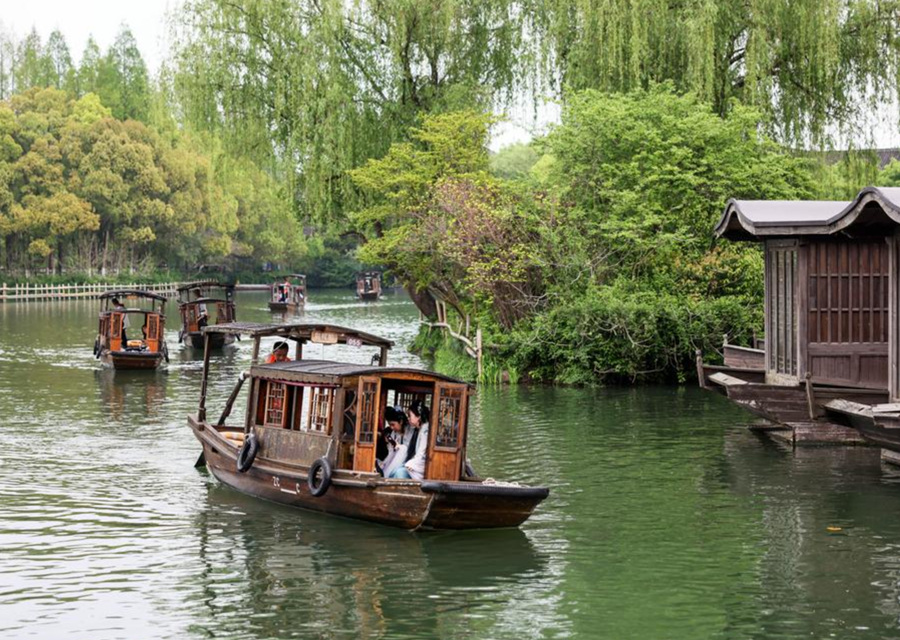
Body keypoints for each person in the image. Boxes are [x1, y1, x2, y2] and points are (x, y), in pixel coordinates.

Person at [389, 400, 430, 480]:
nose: (408, 418)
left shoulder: (425, 431)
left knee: (399, 472)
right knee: (393, 471)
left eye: (410, 415)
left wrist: (412, 464)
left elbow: (421, 454)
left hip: (422, 465)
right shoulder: (418, 429)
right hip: (417, 462)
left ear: (418, 417)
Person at [378, 407, 412, 477]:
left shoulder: (411, 431)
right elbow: (391, 452)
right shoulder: (393, 434)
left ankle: (385, 475)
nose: (391, 427)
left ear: (401, 422)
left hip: (407, 461)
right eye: (390, 425)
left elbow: (410, 451)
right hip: (395, 461)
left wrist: (399, 447)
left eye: (393, 424)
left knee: (403, 449)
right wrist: (385, 463)